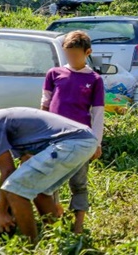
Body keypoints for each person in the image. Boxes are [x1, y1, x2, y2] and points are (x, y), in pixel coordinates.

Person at [0, 100, 98, 243]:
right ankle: (55, 239)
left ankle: (31, 247)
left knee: (15, 191)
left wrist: (1, 211)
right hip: (83, 140)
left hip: (72, 142)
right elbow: (26, 160)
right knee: (39, 191)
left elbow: (8, 170)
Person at [41, 30, 104, 233]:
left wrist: (96, 142)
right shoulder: (54, 74)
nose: (72, 58)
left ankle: (78, 226)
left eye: (76, 54)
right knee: (50, 182)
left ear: (87, 53)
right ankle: (52, 222)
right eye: (69, 54)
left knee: (78, 183)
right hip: (54, 138)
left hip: (80, 139)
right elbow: (44, 106)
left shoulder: (95, 79)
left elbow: (97, 114)